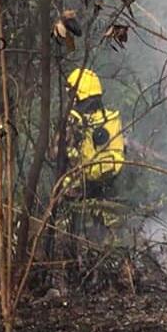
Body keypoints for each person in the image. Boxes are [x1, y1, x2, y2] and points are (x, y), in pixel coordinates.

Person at [62, 68, 126, 237]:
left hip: (79, 199)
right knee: (108, 240)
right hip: (107, 195)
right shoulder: (110, 119)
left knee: (81, 241)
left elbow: (57, 155)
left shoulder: (74, 122)